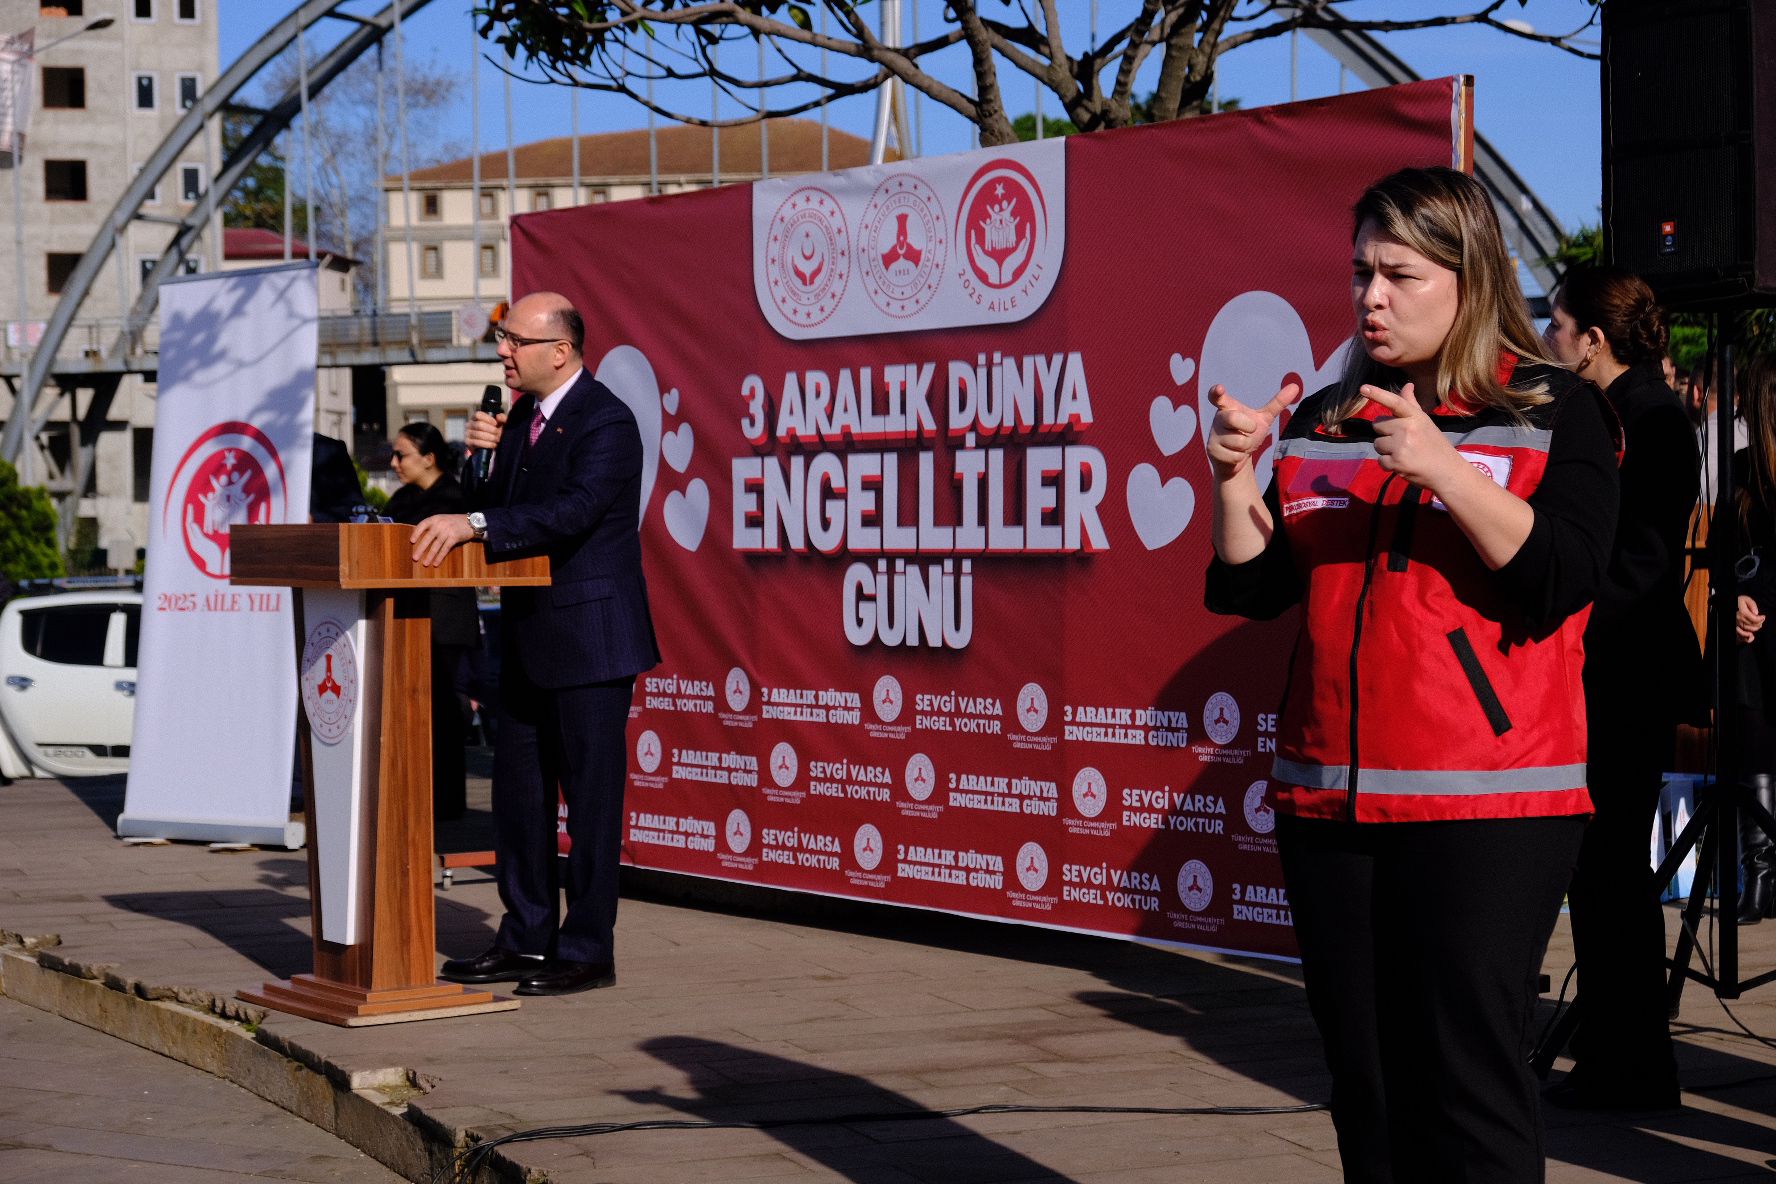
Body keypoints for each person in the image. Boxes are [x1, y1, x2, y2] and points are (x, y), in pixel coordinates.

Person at [1205, 167, 1619, 1182]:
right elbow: (1254, 587)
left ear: (1469, 279)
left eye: (1400, 274)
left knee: (1466, 1084)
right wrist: (1231, 476)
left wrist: (1442, 466)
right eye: (1361, 273)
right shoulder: (1327, 415)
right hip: (1329, 802)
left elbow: (1562, 577)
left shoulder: (1553, 409)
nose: (1372, 297)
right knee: (1367, 1085)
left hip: (1488, 804)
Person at [412, 291, 659, 997]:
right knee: (519, 800)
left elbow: (572, 512)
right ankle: (525, 936)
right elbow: (490, 507)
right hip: (524, 637)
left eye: (515, 340)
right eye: (502, 339)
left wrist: (476, 524)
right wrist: (479, 460)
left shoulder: (607, 420)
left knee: (590, 805)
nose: (503, 352)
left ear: (560, 349)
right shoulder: (518, 418)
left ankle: (587, 950)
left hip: (590, 640)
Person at [1540, 266, 1696, 1110]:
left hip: (1624, 670)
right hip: (1607, 665)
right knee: (1601, 867)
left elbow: (1643, 562)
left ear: (1592, 340)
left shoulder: (1652, 419)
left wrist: (1567, 614)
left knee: (1612, 868)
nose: (1547, 339)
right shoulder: (1615, 412)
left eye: (1557, 325)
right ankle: (1617, 1046)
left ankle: (1629, 1060)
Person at [384, 421, 478, 823]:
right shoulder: (400, 499)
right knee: (409, 709)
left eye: (401, 455)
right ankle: (413, 795)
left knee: (444, 711)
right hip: (404, 614)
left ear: (429, 458)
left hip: (446, 619)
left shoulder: (456, 498)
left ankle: (447, 803)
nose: (394, 463)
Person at [1729, 355, 1776, 924]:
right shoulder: (1743, 470)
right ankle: (1759, 871)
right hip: (1751, 635)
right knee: (1753, 739)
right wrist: (1731, 597)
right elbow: (1726, 553)